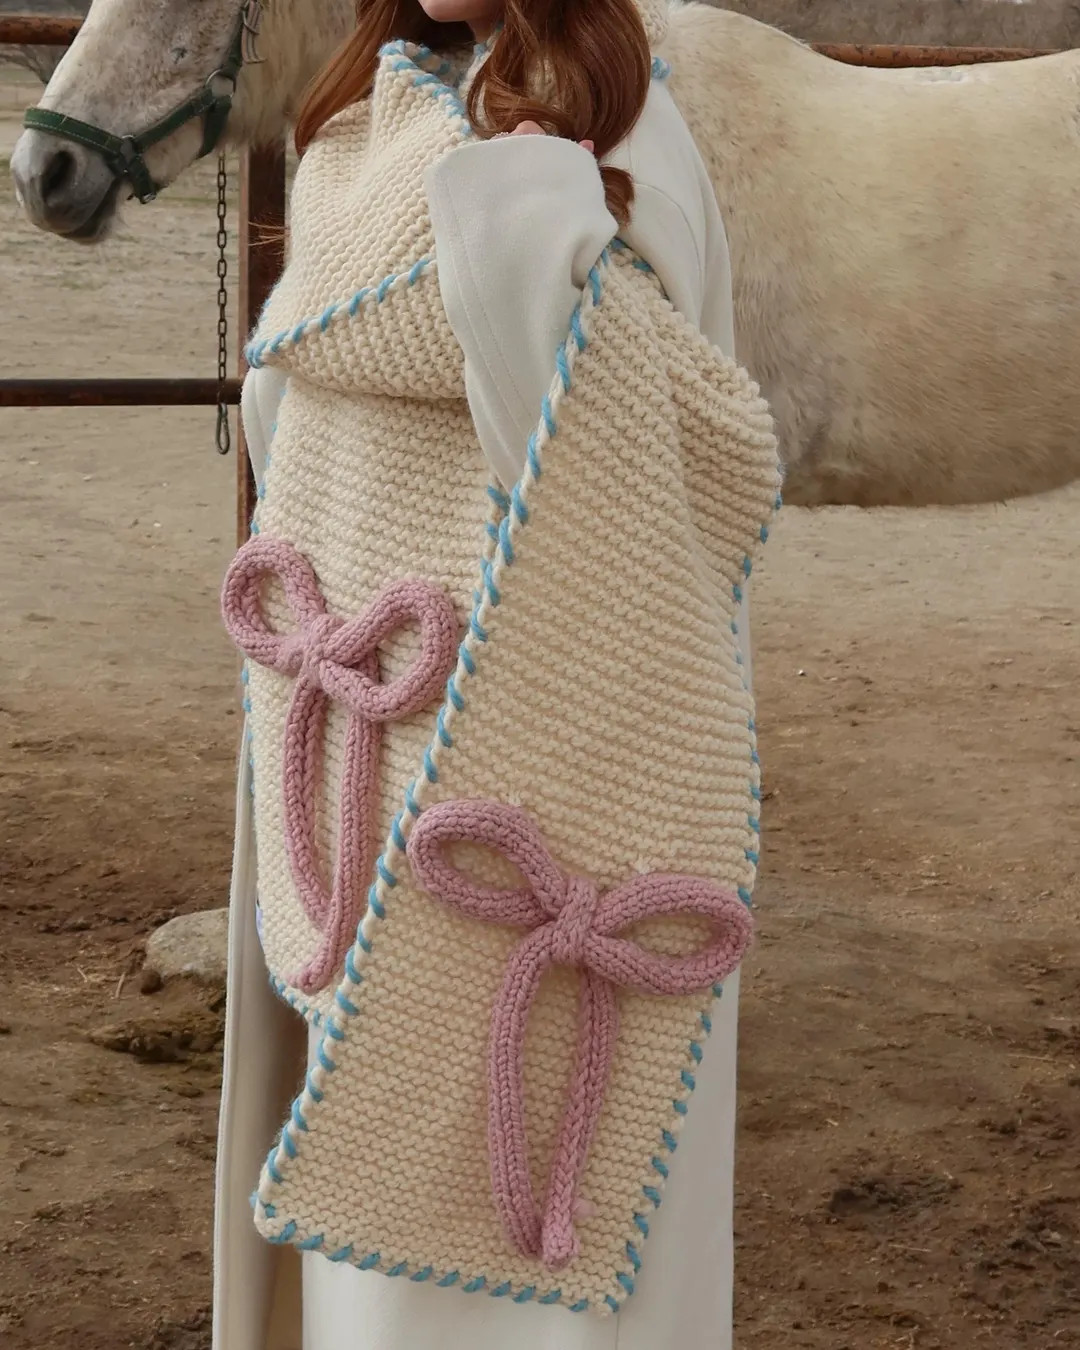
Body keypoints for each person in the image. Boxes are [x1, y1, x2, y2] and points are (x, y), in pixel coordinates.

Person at [214, 1, 779, 1347]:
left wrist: (522, 216)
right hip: (360, 764)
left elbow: (621, 465)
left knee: (528, 1218)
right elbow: (288, 415)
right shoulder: (368, 117)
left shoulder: (624, 127)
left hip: (550, 747)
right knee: (374, 1244)